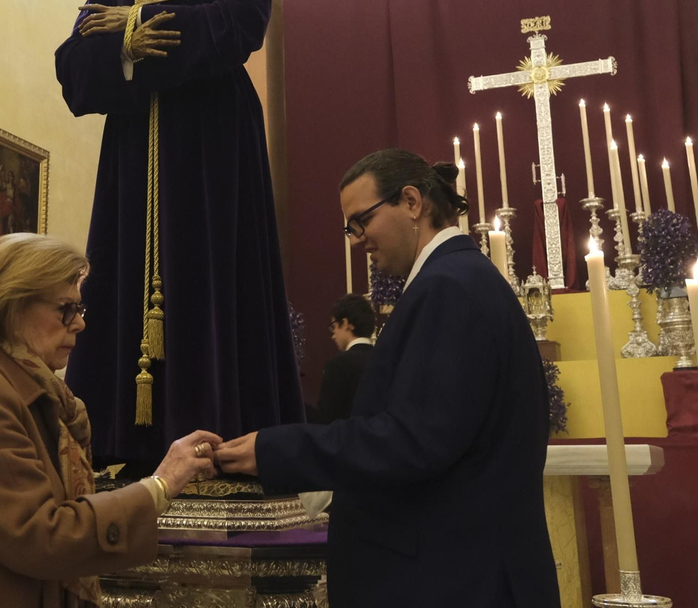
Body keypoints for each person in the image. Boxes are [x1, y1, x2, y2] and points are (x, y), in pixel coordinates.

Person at [55, 0, 304, 468]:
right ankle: (126, 453)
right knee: (123, 279)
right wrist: (132, 40)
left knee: (213, 273)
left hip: (213, 144)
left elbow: (239, 24)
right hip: (135, 150)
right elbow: (75, 66)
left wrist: (134, 28)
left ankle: (222, 448)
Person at [216, 150, 560, 608]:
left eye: (362, 221)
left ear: (412, 202)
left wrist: (273, 449)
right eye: (350, 228)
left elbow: (411, 441)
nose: (358, 239)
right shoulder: (460, 279)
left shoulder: (447, 288)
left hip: (457, 580)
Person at [0, 233, 221, 607]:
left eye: (80, 310)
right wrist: (160, 485)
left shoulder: (17, 386)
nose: (79, 324)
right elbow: (40, 537)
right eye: (65, 309)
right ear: (11, 306)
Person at [310, 293, 376, 424]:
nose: (333, 336)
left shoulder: (337, 365)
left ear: (345, 323)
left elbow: (326, 420)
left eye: (334, 327)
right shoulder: (387, 360)